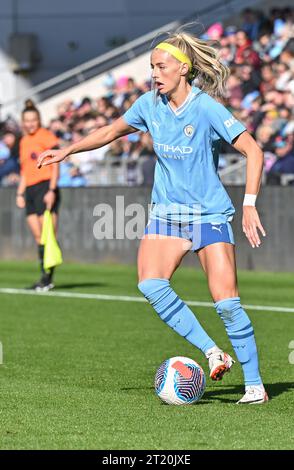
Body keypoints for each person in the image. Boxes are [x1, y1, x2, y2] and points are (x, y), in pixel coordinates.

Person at [37, 31, 268, 404]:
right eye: (151, 68)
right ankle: (213, 352)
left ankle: (255, 387)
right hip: (167, 214)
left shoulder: (206, 108)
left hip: (208, 213)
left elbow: (253, 151)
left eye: (161, 67)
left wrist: (249, 203)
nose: (155, 74)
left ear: (183, 68)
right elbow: (111, 131)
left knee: (227, 303)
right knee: (150, 284)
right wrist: (68, 149)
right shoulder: (149, 105)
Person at [16, 101, 61, 291]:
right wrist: (20, 192)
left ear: (38, 120)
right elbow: (25, 170)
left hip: (45, 188)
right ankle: (43, 277)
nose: (30, 124)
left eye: (33, 120)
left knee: (47, 234)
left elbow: (56, 164)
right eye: (27, 121)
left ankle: (47, 278)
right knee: (37, 236)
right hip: (30, 190)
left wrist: (51, 190)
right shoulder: (24, 141)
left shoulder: (47, 136)